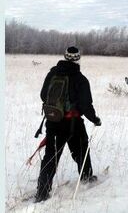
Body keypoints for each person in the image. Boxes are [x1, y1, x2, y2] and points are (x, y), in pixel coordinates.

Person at [34, 46, 101, 203]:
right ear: (78, 58)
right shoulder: (80, 79)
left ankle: (42, 192)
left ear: (65, 56)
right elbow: (85, 105)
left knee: (51, 156)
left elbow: (43, 95)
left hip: (53, 120)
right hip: (73, 123)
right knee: (81, 150)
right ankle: (86, 177)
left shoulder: (52, 73)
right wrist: (95, 119)